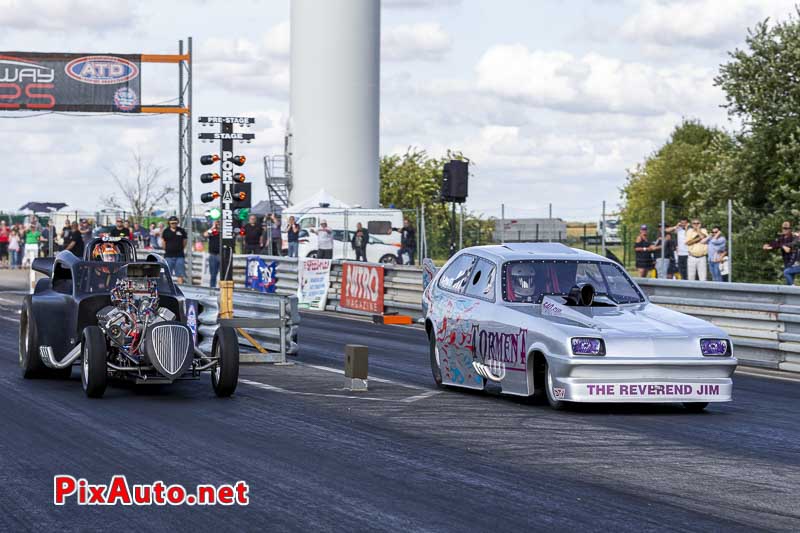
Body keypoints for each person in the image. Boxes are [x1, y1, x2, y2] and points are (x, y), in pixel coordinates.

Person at [161, 216, 188, 283]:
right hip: (168, 256)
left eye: (175, 223)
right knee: (167, 274)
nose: (174, 224)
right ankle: (166, 288)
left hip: (179, 255)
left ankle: (181, 288)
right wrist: (167, 249)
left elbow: (184, 241)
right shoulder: (166, 231)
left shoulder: (181, 230)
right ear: (169, 223)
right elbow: (163, 242)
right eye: (172, 223)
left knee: (180, 274)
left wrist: (180, 248)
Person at [204, 220, 221, 288]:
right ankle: (212, 288)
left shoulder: (223, 232)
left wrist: (220, 228)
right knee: (213, 274)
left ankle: (222, 288)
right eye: (217, 223)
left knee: (223, 274)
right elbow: (205, 234)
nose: (218, 224)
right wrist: (213, 227)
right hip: (213, 255)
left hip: (221, 255)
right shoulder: (212, 232)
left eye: (219, 223)